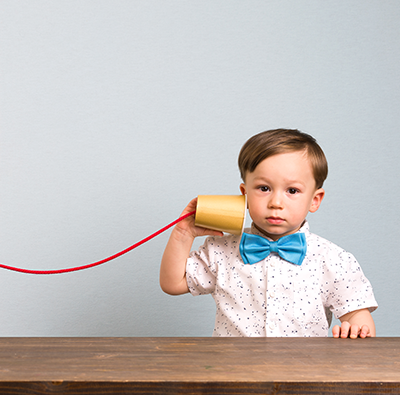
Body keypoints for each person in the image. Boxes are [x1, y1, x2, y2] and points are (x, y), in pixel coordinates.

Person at [160, 129, 377, 338]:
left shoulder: (334, 260)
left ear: (314, 200)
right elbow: (173, 283)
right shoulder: (220, 250)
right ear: (244, 194)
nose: (275, 203)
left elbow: (358, 314)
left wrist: (356, 329)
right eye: (264, 188)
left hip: (305, 371)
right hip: (232, 370)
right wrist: (183, 233)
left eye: (292, 191)